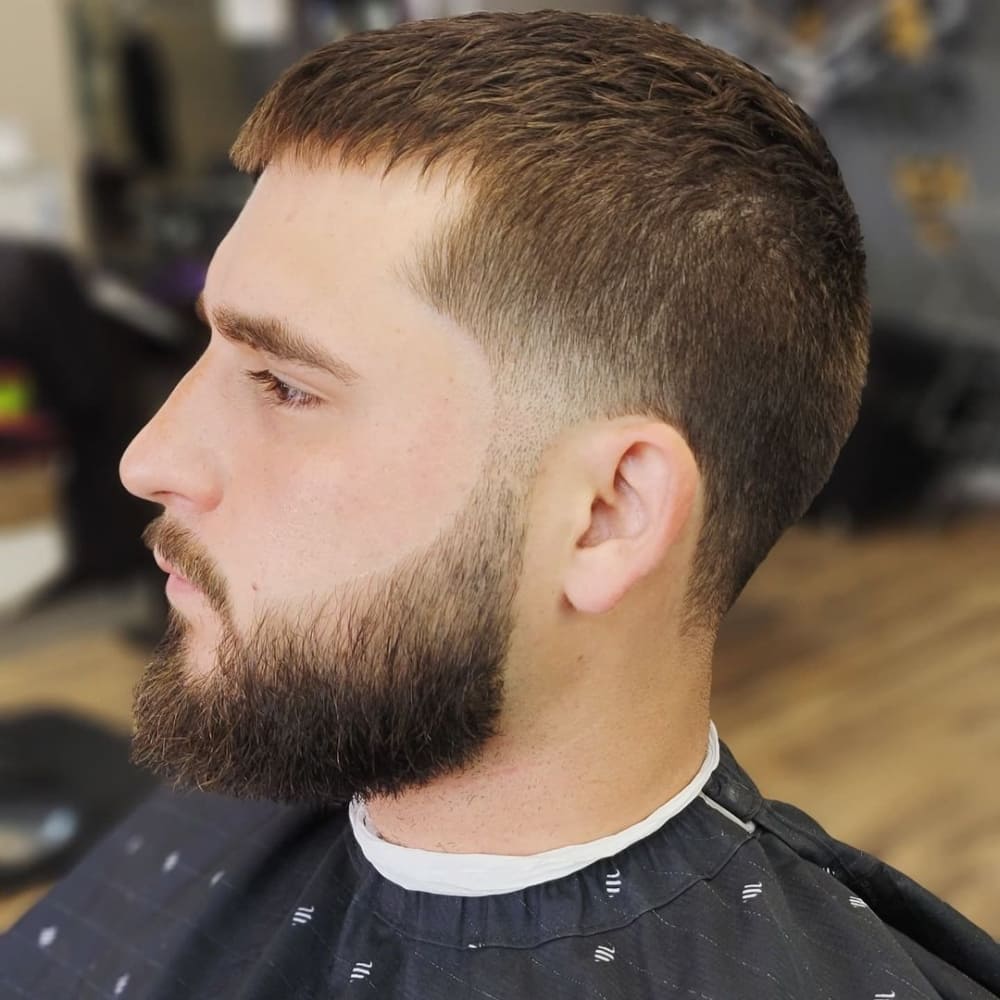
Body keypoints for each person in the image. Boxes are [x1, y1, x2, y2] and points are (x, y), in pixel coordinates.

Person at [2, 11, 997, 999]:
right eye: (208, 349)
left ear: (605, 513)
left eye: (283, 385)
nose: (147, 458)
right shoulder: (246, 781)